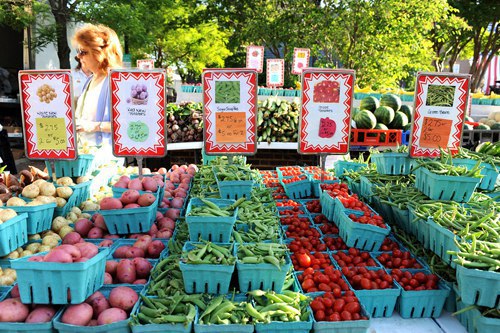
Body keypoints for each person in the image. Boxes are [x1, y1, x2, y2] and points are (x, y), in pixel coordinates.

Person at [72, 23, 122, 151]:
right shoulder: (90, 80)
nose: (78, 56)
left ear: (99, 54)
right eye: (79, 52)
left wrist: (94, 126)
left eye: (83, 52)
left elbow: (128, 125)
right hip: (85, 155)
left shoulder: (116, 82)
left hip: (105, 161)